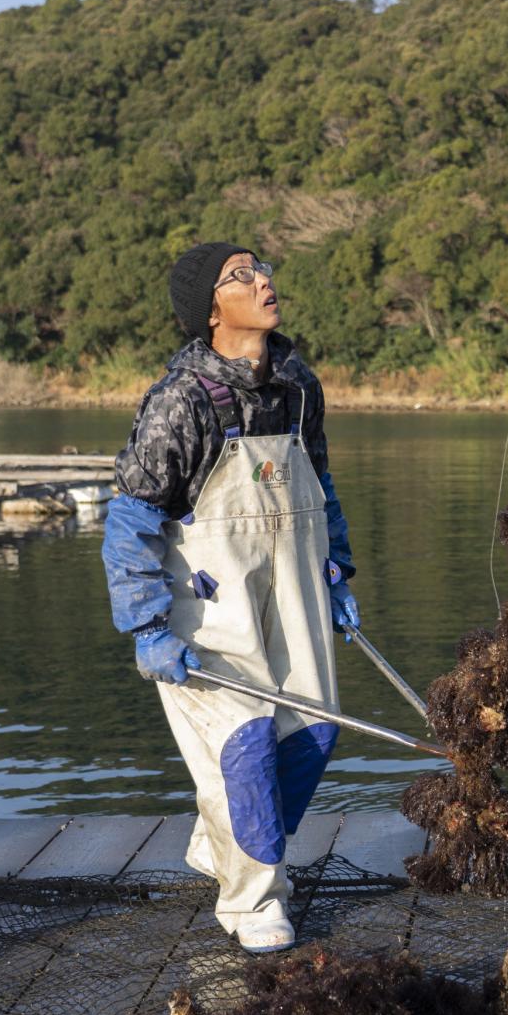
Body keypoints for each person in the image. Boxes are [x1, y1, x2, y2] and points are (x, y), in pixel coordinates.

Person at [101, 242, 359, 954]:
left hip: (297, 591)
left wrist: (338, 570)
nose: (262, 280)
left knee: (311, 733)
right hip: (205, 609)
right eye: (240, 275)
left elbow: (322, 486)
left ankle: (223, 844)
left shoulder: (299, 384)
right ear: (211, 309)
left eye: (262, 268)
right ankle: (252, 903)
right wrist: (147, 625)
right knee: (243, 746)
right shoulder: (180, 400)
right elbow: (129, 518)